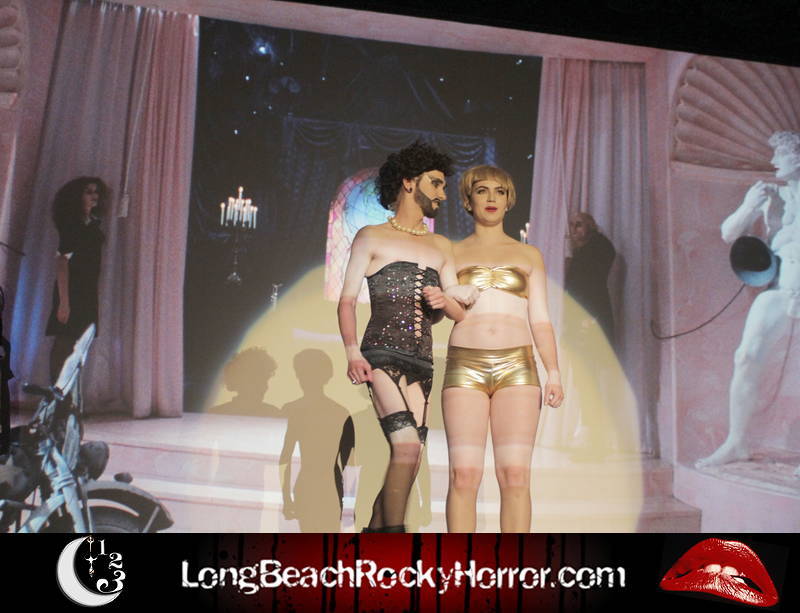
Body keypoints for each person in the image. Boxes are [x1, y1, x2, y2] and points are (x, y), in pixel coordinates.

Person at [337, 141, 474, 533]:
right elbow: (347, 301)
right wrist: (352, 353)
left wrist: (443, 301)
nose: (443, 194)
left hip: (422, 362)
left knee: (409, 461)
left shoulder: (441, 245)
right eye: (436, 183)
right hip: (380, 354)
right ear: (409, 182)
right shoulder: (371, 236)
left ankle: (373, 536)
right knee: (407, 447)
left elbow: (458, 313)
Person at [441, 165, 563, 533]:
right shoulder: (450, 251)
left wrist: (553, 371)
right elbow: (447, 311)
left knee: (515, 475)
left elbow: (540, 318)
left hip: (518, 367)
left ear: (509, 200)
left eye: (500, 191)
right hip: (465, 365)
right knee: (464, 475)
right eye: (482, 190)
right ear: (468, 200)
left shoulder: (530, 254)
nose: (491, 198)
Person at [697, 131, 800, 472]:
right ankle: (737, 442)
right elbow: (729, 233)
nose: (773, 161)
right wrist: (748, 206)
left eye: (780, 154)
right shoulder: (771, 196)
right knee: (746, 357)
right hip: (781, 289)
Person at [45, 177, 108, 382]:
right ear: (77, 197)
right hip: (72, 291)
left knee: (79, 345)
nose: (94, 196)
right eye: (88, 192)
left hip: (87, 291)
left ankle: (69, 395)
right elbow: (62, 262)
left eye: (96, 192)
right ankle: (56, 395)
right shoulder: (72, 225)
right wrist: (64, 302)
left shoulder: (92, 224)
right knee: (65, 343)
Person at [564, 212, 616, 343]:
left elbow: (587, 278)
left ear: (589, 226)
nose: (574, 229)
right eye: (571, 225)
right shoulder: (580, 249)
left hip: (593, 306)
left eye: (579, 225)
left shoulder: (600, 245)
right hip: (581, 307)